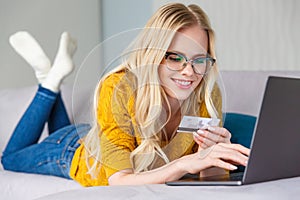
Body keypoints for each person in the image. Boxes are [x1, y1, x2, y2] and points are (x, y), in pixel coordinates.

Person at [1, 3, 249, 186]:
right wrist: (184, 164)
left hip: (101, 136)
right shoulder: (118, 87)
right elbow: (119, 181)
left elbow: (210, 181)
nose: (189, 72)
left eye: (199, 60)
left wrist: (214, 155)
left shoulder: (206, 91)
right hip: (73, 151)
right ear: (153, 54)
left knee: (60, 129)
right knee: (10, 158)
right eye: (175, 58)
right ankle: (48, 84)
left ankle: (50, 76)